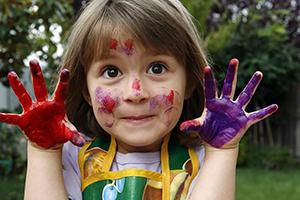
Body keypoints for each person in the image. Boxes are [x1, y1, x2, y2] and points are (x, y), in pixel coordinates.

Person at [0, 0, 278, 199]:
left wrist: (222, 153)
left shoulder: (201, 161)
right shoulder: (75, 159)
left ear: (190, 82)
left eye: (157, 68)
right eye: (111, 71)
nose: (136, 92)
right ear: (84, 88)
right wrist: (42, 152)